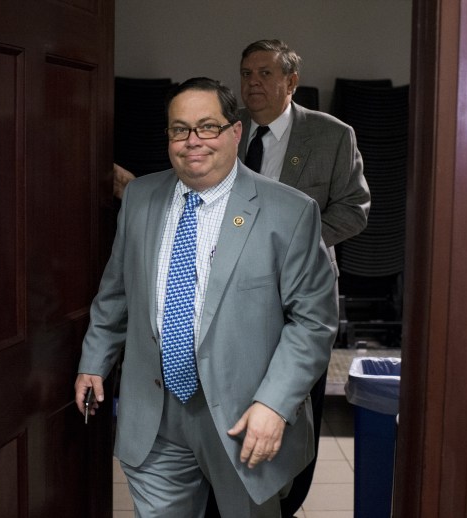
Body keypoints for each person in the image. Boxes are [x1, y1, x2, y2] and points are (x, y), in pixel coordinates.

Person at [113, 39, 370, 516]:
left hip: (290, 295)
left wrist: (289, 240)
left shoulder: (331, 135)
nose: (254, 83)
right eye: (247, 73)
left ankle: (281, 493)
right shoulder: (219, 133)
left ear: (291, 81)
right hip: (213, 308)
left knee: (280, 417)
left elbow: (354, 212)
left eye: (266, 74)